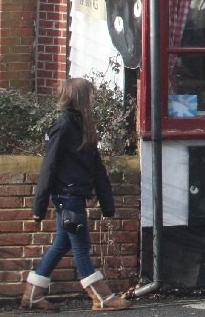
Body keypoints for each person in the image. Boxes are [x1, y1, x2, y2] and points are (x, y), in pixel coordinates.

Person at [24, 78, 130, 311]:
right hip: (67, 197)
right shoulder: (63, 127)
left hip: (73, 196)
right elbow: (49, 166)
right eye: (91, 94)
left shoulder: (82, 126)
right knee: (81, 247)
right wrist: (38, 207)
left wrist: (107, 203)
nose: (94, 98)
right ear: (80, 97)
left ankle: (33, 295)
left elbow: (97, 168)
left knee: (62, 244)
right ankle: (101, 297)